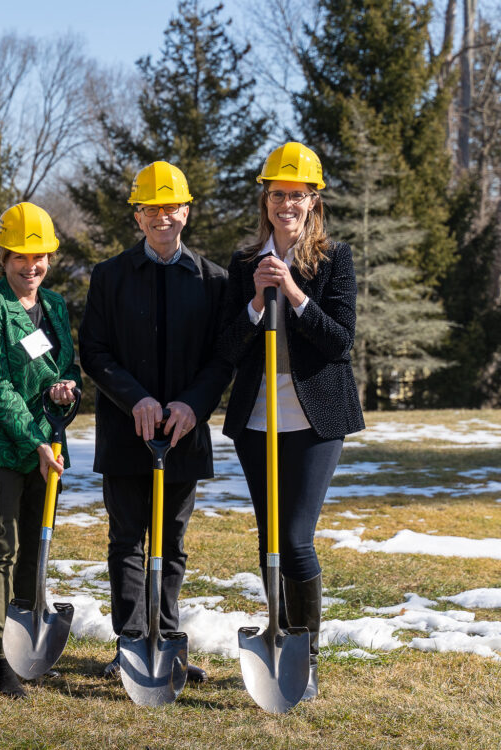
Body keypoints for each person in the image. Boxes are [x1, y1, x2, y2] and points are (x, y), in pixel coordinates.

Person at [218, 142, 364, 700]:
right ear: (266, 199)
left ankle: (308, 655)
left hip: (314, 420)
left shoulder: (334, 259)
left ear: (313, 201)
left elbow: (340, 342)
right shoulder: (243, 264)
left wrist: (295, 293)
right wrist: (257, 302)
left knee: (297, 539)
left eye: (298, 196)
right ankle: (277, 641)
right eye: (278, 194)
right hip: (257, 419)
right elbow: (227, 347)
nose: (287, 205)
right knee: (270, 539)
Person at [78, 161, 231, 683]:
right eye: (150, 209)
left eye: (171, 207)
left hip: (184, 432)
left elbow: (222, 358)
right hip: (127, 430)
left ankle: (165, 639)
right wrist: (135, 399)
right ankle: (130, 642)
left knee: (172, 540)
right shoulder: (110, 275)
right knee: (127, 539)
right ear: (137, 216)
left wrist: (193, 404)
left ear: (186, 211)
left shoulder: (213, 280)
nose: (162, 217)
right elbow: (94, 351)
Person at [0, 202, 81, 698]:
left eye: (39, 257)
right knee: (4, 549)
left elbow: (67, 365)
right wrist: (32, 440)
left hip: (49, 443)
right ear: (3, 258)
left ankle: (27, 642)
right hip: (3, 448)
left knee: (37, 546)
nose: (30, 266)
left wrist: (67, 388)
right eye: (20, 257)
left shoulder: (54, 305)